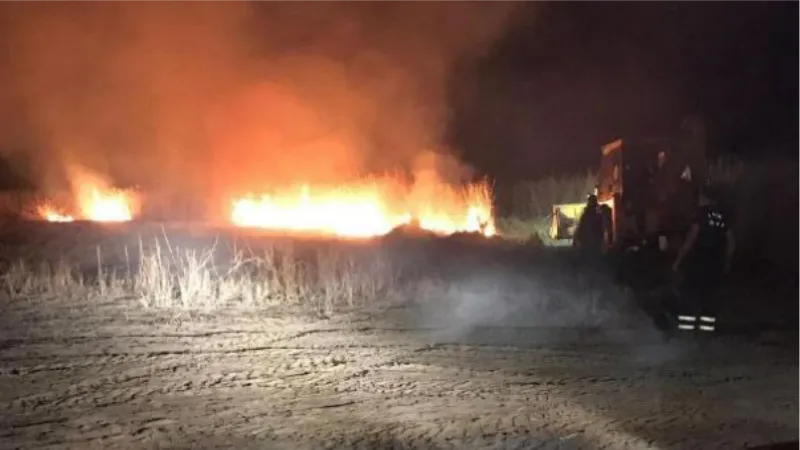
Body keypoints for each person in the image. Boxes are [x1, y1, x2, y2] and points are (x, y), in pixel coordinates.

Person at [671, 185, 735, 332]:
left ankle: (686, 332)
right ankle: (706, 332)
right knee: (710, 297)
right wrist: (727, 262)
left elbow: (691, 239)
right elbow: (731, 241)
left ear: (703, 197)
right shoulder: (724, 215)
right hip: (716, 263)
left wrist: (678, 261)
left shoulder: (700, 213)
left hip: (698, 261)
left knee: (689, 294)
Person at [574, 194, 607, 263]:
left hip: (594, 237)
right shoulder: (587, 212)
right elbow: (581, 225)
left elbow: (602, 224)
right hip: (588, 237)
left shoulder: (596, 211)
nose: (591, 203)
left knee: (593, 256)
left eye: (592, 201)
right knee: (589, 255)